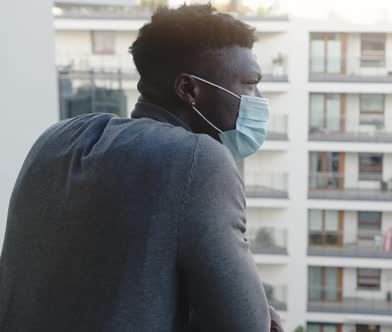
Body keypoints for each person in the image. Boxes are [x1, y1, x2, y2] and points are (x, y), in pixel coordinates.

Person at [0, 4, 283, 332]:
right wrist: (265, 315)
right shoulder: (198, 159)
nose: (259, 98)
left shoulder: (58, 137)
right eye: (249, 84)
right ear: (189, 89)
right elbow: (246, 325)